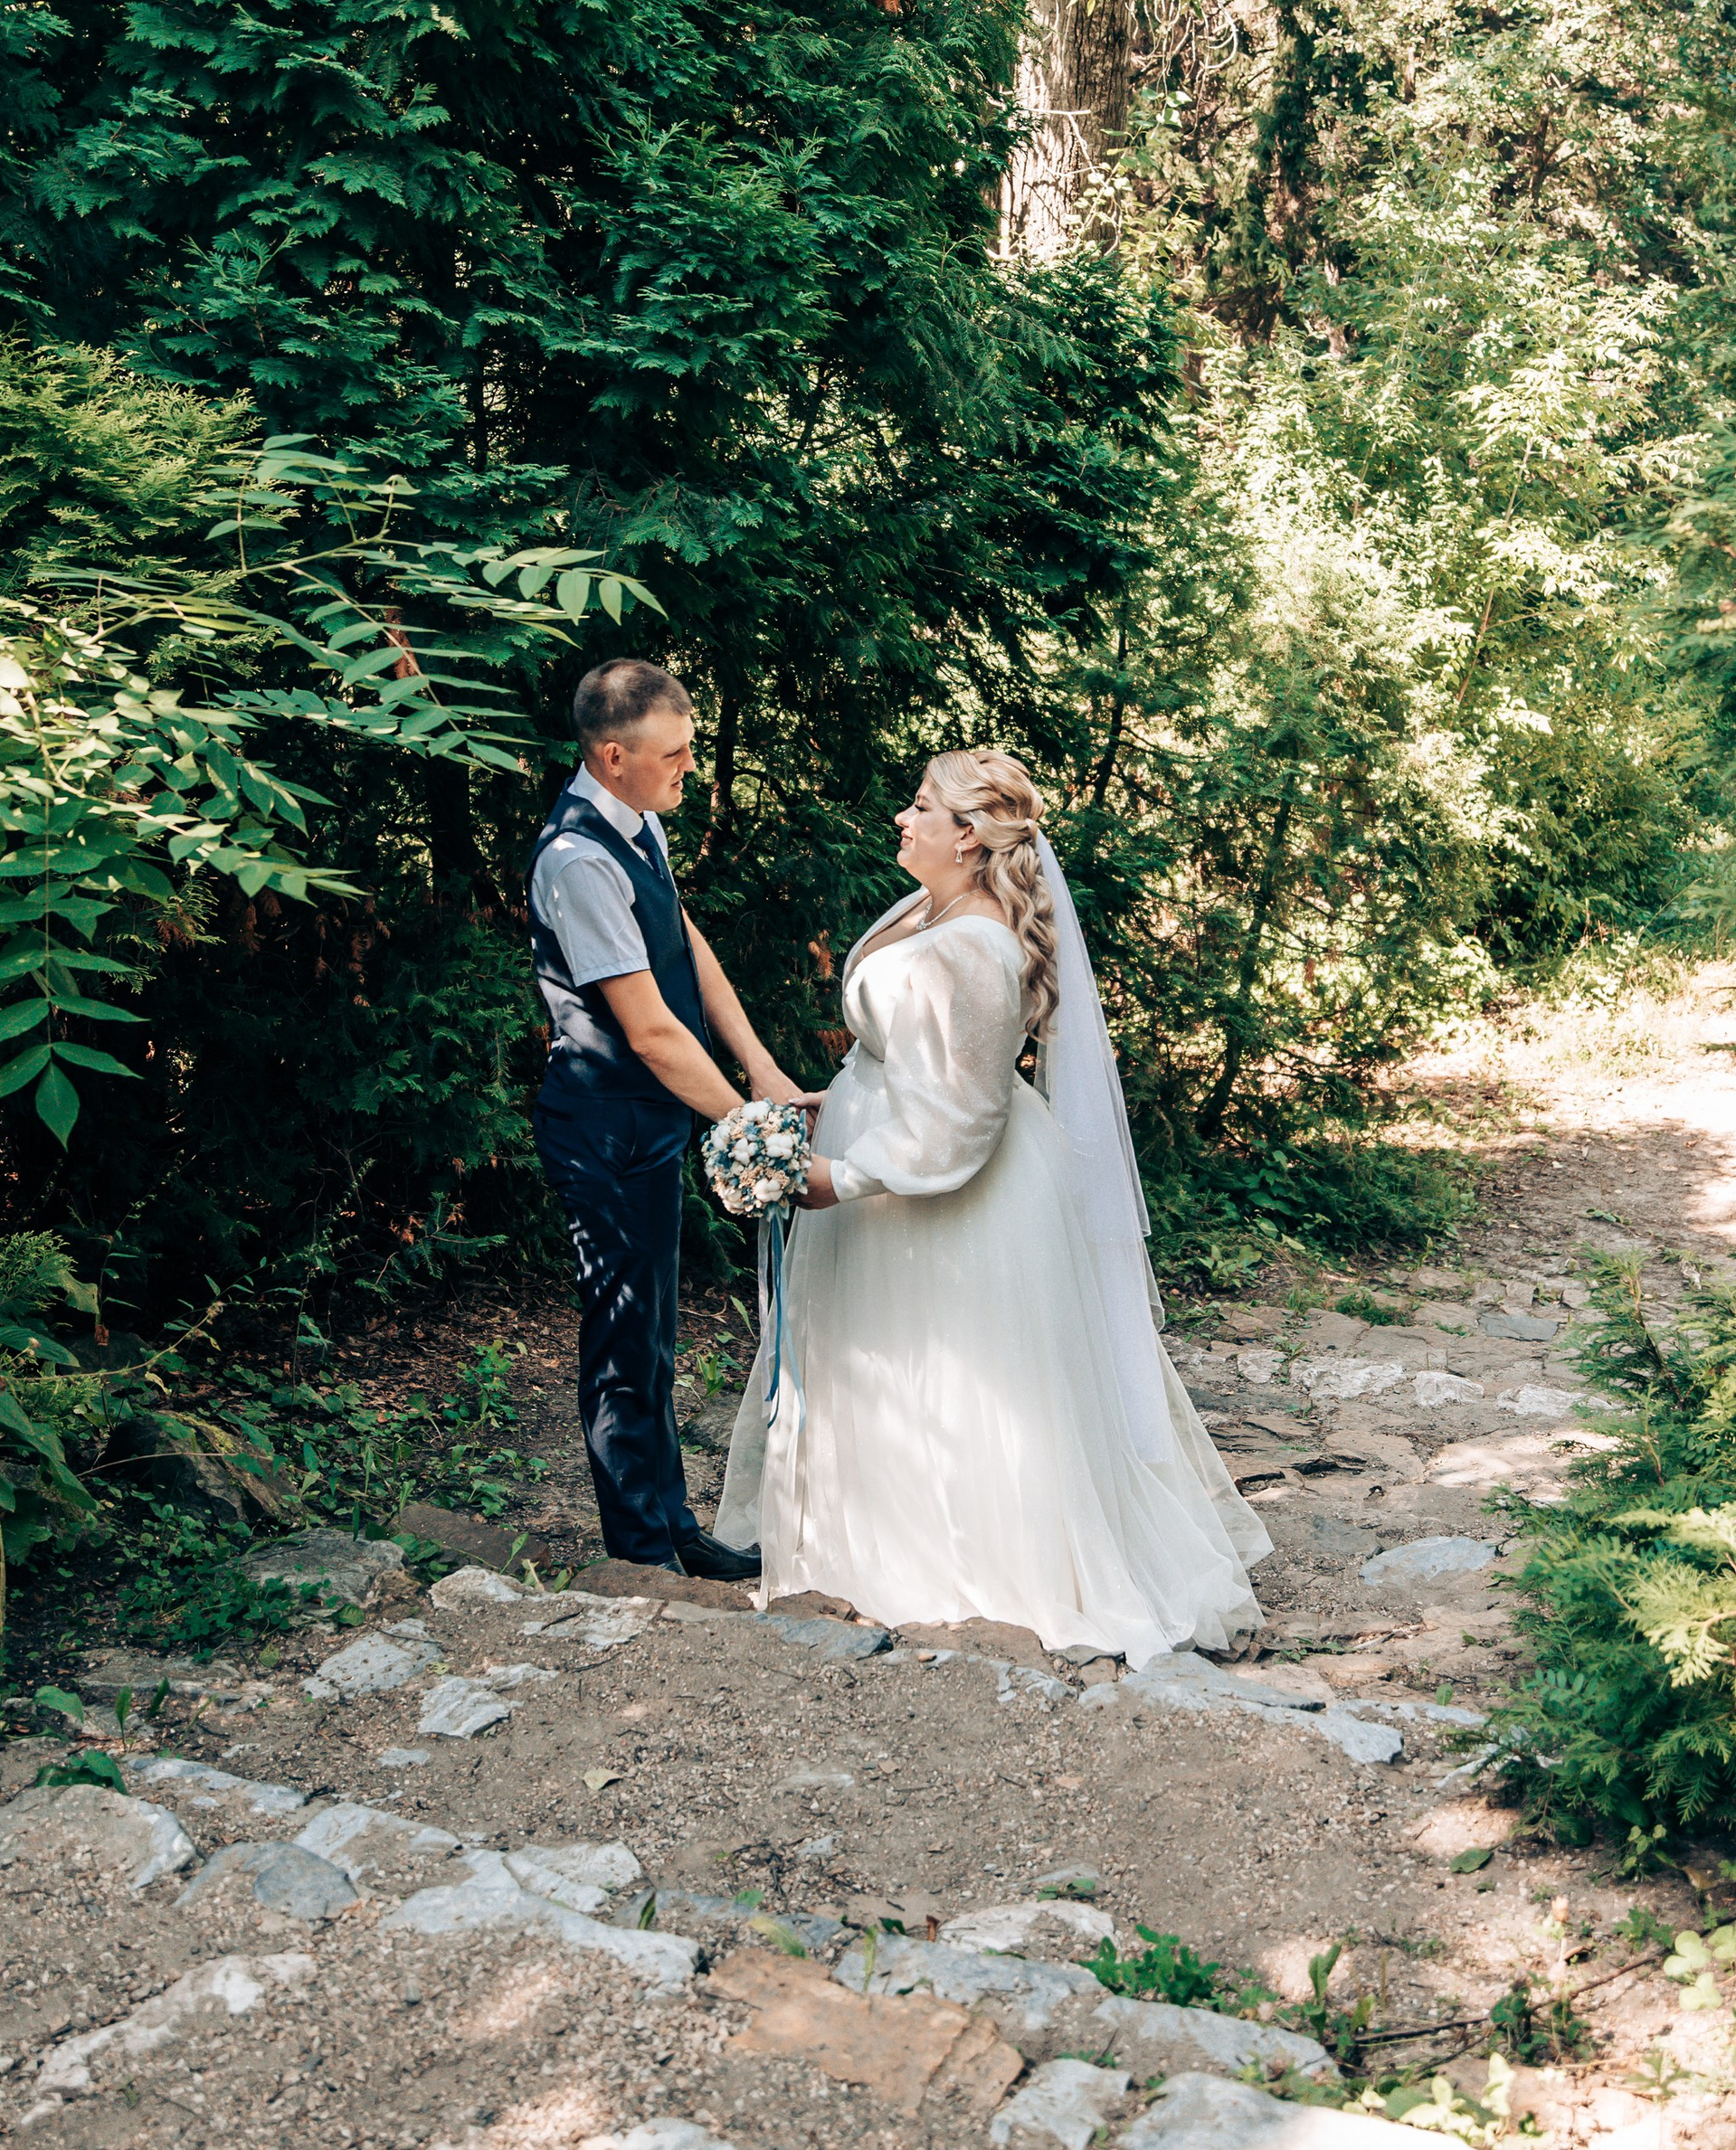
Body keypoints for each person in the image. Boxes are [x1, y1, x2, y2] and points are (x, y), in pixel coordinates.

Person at [716, 748, 1269, 1661]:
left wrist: (837, 1176)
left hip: (943, 1204)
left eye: (923, 805)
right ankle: (858, 1563)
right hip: (884, 1174)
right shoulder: (927, 910)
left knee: (953, 1377)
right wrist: (832, 1104)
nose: (903, 815)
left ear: (967, 836)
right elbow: (908, 1058)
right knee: (889, 1373)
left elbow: (960, 1120)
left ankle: (956, 1575)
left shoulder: (975, 946)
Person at [529, 659, 802, 1580]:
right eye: (674, 752)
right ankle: (641, 1554)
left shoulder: (638, 822)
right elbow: (646, 1029)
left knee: (655, 1333)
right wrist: (747, 1129)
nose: (689, 765)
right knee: (621, 1336)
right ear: (614, 757)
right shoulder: (575, 860)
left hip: (650, 1123)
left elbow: (684, 939)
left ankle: (670, 1522)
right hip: (601, 1125)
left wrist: (759, 1068)